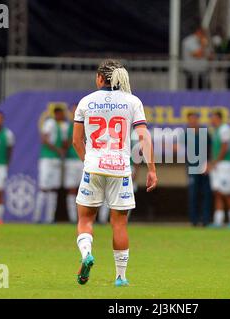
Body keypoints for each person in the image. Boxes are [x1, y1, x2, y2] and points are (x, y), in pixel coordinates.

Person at [73, 59, 157, 287]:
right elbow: (143, 137)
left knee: (85, 218)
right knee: (119, 224)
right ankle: (120, 277)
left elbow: (76, 140)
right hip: (120, 169)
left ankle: (86, 255)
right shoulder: (132, 102)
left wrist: (88, 161)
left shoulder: (86, 102)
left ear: (100, 78)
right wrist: (151, 169)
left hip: (93, 167)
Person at [177, 112, 212, 227]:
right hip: (192, 167)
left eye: (195, 119)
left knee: (205, 193)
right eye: (190, 119)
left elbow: (210, 149)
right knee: (193, 194)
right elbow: (179, 148)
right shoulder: (186, 134)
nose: (193, 121)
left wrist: (209, 163)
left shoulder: (204, 132)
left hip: (204, 166)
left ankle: (206, 219)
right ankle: (194, 220)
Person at [33, 106, 67, 224]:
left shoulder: (63, 127)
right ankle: (37, 218)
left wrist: (62, 149)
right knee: (43, 188)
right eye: (62, 113)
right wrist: (57, 149)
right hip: (47, 159)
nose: (63, 116)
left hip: (56, 160)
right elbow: (44, 139)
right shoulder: (49, 123)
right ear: (56, 114)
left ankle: (50, 218)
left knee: (53, 189)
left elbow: (64, 143)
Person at [208, 110, 230, 229]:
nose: (212, 120)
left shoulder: (225, 129)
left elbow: (225, 147)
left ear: (219, 118)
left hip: (225, 164)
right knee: (217, 192)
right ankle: (218, 221)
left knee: (227, 193)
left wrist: (216, 161)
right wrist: (212, 162)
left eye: (214, 118)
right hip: (217, 165)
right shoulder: (216, 131)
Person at [64, 104, 84, 223]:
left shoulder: (87, 124)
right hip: (71, 160)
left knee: (85, 190)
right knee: (71, 189)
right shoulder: (66, 127)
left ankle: (84, 218)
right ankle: (72, 218)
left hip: (83, 160)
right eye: (72, 111)